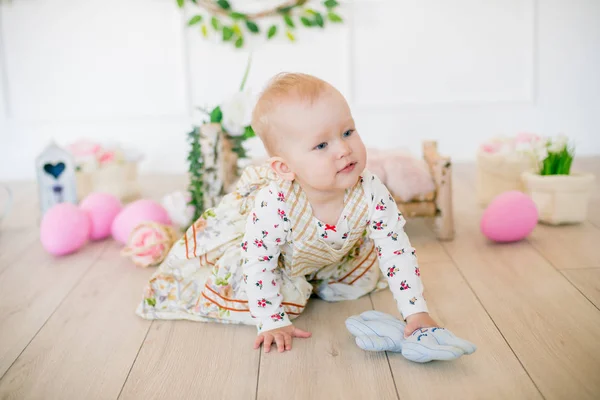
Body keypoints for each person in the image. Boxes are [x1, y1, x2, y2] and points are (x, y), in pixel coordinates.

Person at [136, 72, 440, 353]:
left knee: (354, 284)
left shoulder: (369, 188)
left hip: (330, 254)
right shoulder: (275, 203)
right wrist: (272, 319)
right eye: (321, 145)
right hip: (277, 260)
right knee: (267, 294)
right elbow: (259, 262)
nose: (344, 149)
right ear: (285, 167)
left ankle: (322, 279)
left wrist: (416, 310)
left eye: (348, 131)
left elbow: (395, 248)